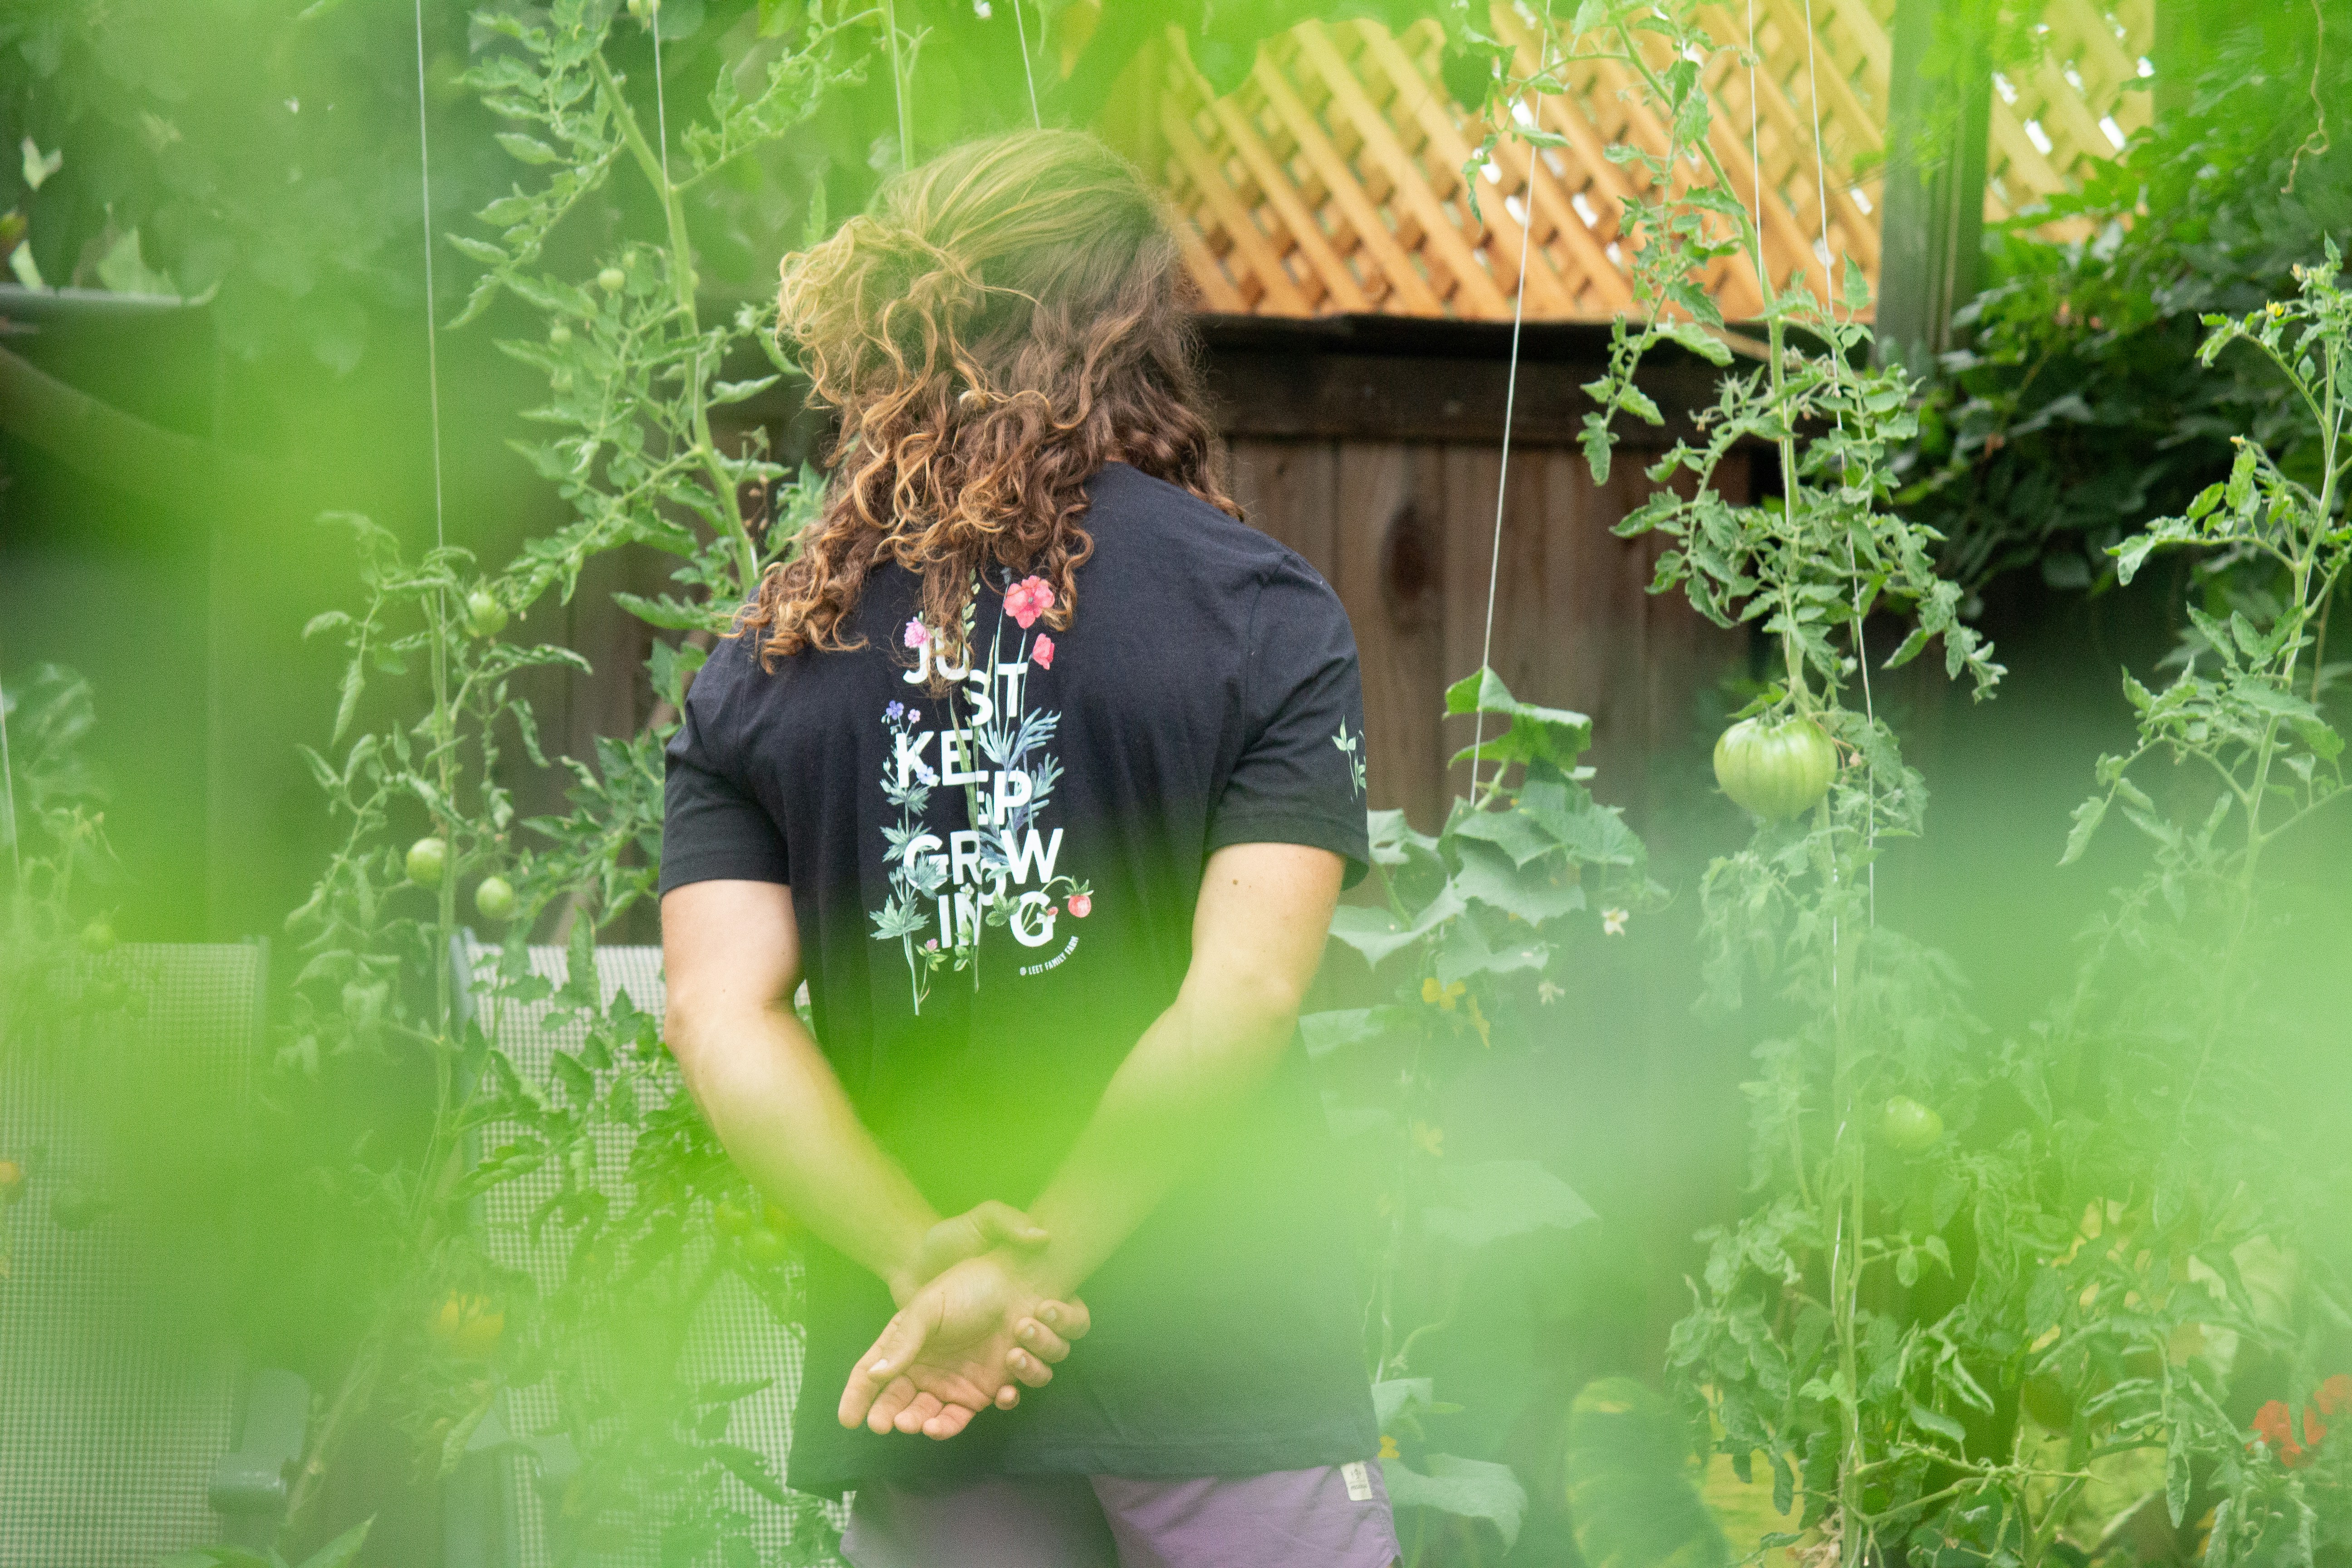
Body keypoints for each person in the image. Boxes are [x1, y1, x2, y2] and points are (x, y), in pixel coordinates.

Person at [658, 128, 1397, 1568]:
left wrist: (929, 1265)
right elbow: (1241, 993)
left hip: (930, 1374)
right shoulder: (1264, 614)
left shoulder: (768, 655)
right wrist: (1038, 1262)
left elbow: (716, 1011)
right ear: (1135, 326)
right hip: (1223, 1351)